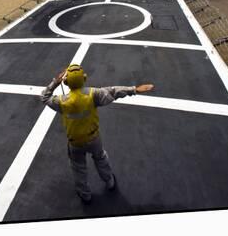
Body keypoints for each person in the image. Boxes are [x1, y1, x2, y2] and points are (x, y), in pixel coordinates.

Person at [39, 63, 154, 203]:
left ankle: (85, 194)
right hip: (94, 138)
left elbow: (44, 97)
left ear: (66, 82)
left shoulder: (62, 101)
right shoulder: (93, 94)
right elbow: (113, 91)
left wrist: (55, 82)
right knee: (100, 158)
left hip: (75, 143)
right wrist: (134, 89)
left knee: (78, 168)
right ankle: (109, 181)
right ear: (84, 79)